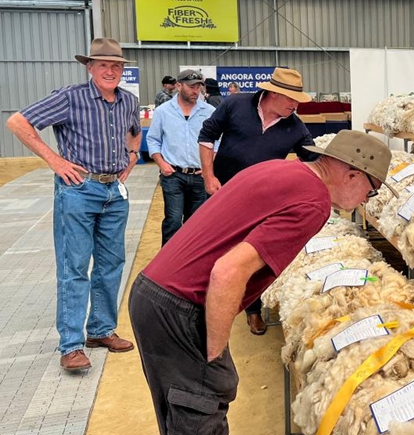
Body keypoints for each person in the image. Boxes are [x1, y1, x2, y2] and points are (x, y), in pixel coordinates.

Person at [129, 130, 396, 435]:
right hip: (180, 307)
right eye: (370, 190)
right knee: (199, 426)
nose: (365, 200)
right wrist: (212, 357)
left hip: (158, 292)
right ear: (351, 174)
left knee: (186, 427)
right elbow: (227, 272)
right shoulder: (314, 202)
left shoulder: (283, 171)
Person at [5, 37, 140, 371]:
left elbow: (134, 132)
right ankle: (71, 345)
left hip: (113, 192)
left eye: (116, 66)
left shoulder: (128, 101)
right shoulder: (70, 97)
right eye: (103, 65)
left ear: (123, 69)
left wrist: (132, 156)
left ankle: (101, 330)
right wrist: (54, 160)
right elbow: (18, 122)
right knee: (75, 267)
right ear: (90, 67)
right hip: (78, 190)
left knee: (111, 265)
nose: (110, 71)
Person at [198, 67, 319, 335]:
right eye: (291, 99)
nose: (295, 105)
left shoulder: (295, 126)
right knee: (214, 246)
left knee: (251, 254)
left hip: (262, 202)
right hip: (223, 192)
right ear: (273, 93)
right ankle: (204, 300)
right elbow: (207, 135)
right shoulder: (235, 105)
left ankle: (252, 309)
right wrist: (208, 176)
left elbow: (313, 160)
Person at [147, 69, 216, 246]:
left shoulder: (208, 111)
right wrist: (161, 163)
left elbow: (219, 140)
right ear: (179, 86)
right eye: (192, 87)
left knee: (196, 224)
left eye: (199, 87)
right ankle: (166, 265)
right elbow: (153, 139)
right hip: (173, 174)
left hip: (199, 175)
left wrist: (209, 164)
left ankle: (189, 263)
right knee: (173, 220)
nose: (196, 91)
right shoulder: (163, 111)